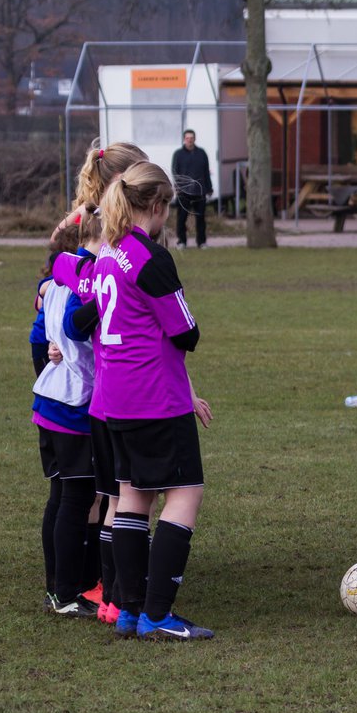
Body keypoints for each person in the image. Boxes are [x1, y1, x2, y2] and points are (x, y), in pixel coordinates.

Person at [94, 160, 214, 641]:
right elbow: (187, 331)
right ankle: (158, 614)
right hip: (154, 397)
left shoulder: (109, 250)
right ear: (160, 206)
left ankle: (127, 609)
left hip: (113, 397)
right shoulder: (150, 257)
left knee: (132, 496)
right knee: (185, 492)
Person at [51, 141, 151, 625]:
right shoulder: (100, 240)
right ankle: (80, 585)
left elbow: (57, 274)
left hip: (88, 380)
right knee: (88, 491)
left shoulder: (94, 235)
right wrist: (59, 339)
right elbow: (68, 302)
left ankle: (89, 582)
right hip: (85, 387)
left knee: (90, 490)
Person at [33, 214, 100, 618]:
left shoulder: (61, 275)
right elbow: (76, 328)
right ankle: (66, 593)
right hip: (72, 405)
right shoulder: (86, 278)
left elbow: (46, 334)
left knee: (61, 497)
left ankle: (57, 588)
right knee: (75, 500)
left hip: (48, 400)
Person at [171, 129, 212, 249]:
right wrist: (178, 187)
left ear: (195, 139)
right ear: (184, 139)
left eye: (191, 138)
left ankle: (201, 242)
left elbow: (206, 172)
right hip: (184, 192)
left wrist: (209, 188)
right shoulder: (178, 154)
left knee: (201, 218)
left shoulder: (201, 153)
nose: (190, 140)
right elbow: (175, 172)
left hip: (199, 192)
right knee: (182, 218)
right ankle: (182, 241)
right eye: (187, 138)